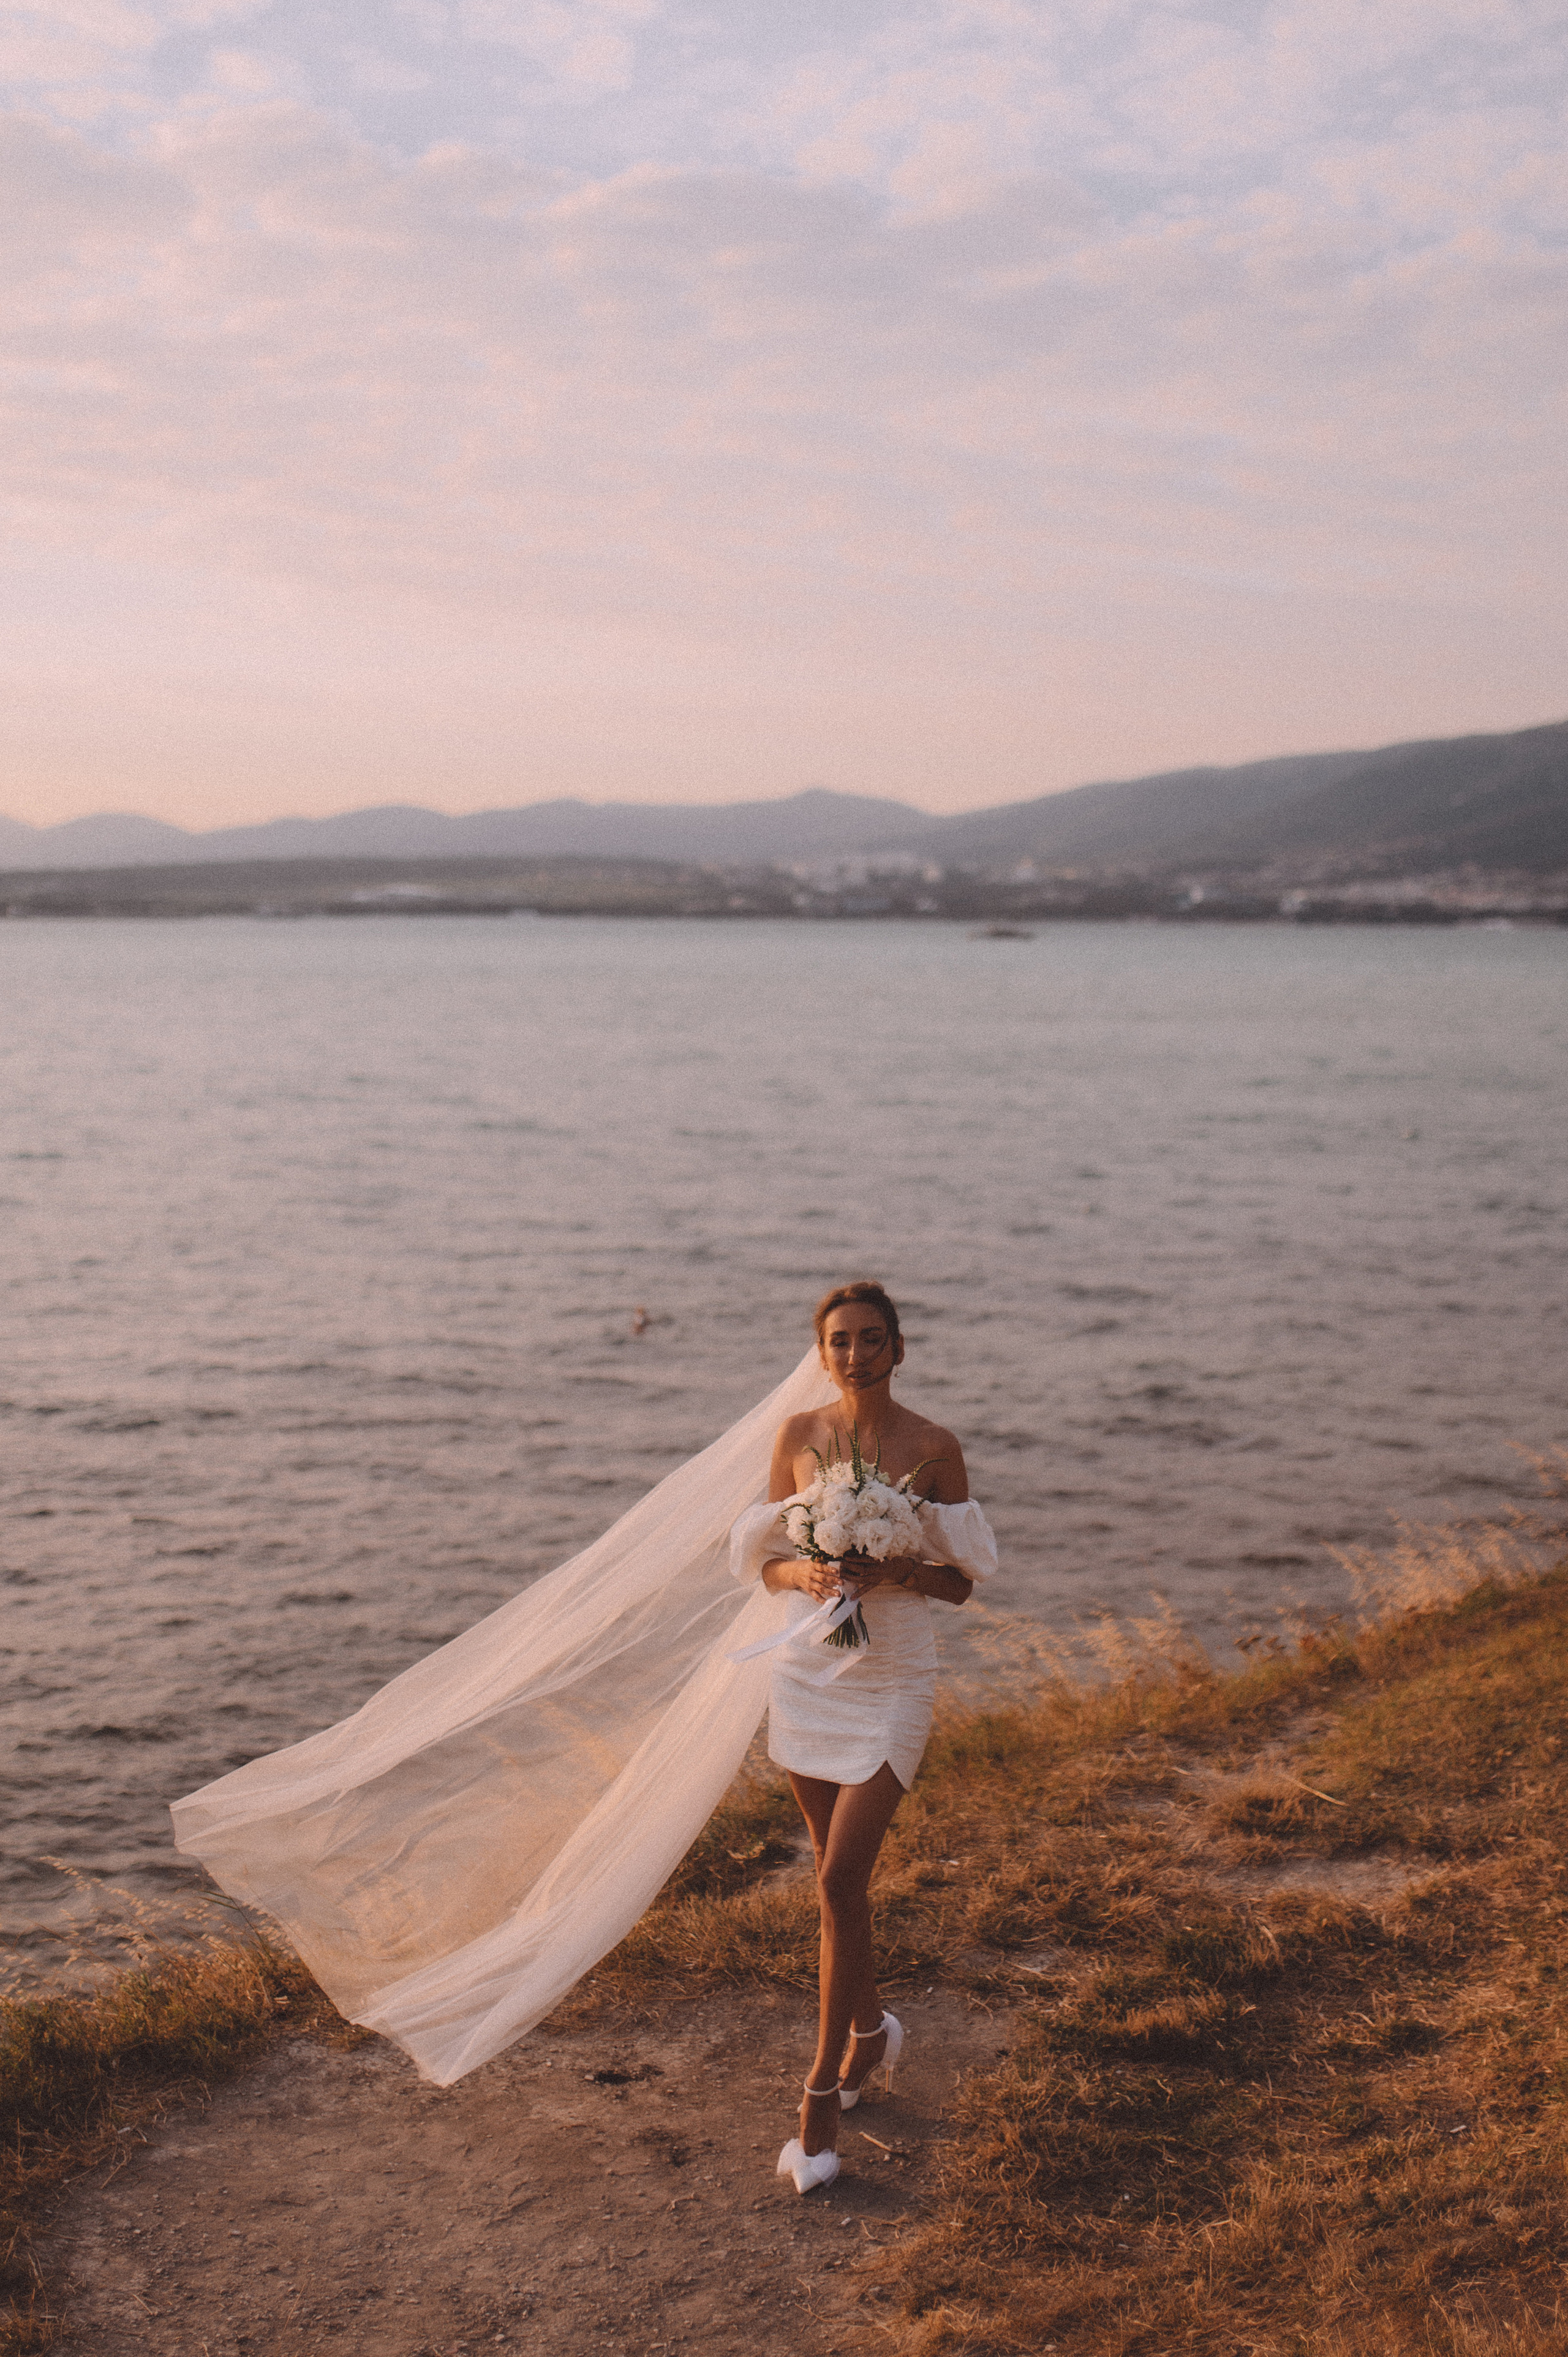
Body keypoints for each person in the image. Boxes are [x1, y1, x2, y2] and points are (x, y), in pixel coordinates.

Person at [727, 1281, 995, 2193]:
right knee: (833, 1880)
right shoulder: (798, 1436)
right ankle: (872, 2032)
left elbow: (964, 1583)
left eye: (872, 1339)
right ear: (822, 1352)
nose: (856, 1355)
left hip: (893, 1682)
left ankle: (820, 2097)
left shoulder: (934, 1447)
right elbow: (762, 1559)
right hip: (810, 1671)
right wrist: (804, 1575)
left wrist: (902, 1570)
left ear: (899, 1348)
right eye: (840, 1341)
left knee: (842, 1876)